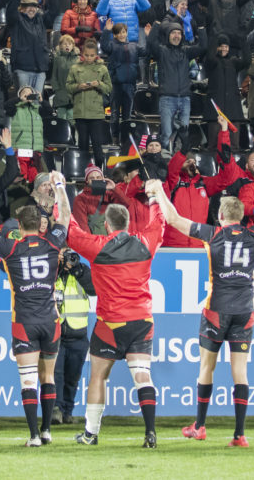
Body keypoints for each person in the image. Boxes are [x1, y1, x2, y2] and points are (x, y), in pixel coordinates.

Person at [152, 161, 254, 446]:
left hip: (216, 311)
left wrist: (158, 192)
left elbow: (174, 219)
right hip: (245, 312)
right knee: (241, 372)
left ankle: (199, 426)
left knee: (206, 369)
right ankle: (239, 434)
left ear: (221, 214)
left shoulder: (212, 235)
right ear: (240, 216)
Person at [65, 178, 165, 448]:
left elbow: (70, 230)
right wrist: (154, 197)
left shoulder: (98, 246)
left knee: (98, 376)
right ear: (128, 224)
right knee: (143, 376)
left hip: (110, 323)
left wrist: (62, 194)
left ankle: (91, 433)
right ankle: (150, 433)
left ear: (107, 225)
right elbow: (159, 224)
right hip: (141, 321)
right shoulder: (145, 243)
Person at [0, 172, 69, 447]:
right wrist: (60, 186)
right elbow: (65, 218)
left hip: (24, 322)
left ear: (19, 225)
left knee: (29, 381)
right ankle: (48, 429)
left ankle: (34, 436)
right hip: (51, 320)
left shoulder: (10, 249)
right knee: (48, 376)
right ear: (40, 224)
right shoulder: (52, 243)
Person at [52, 246, 96, 426]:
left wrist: (77, 269)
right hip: (57, 332)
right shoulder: (51, 270)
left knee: (73, 377)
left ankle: (68, 412)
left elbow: (94, 289)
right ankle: (56, 410)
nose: (67, 260)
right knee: (56, 375)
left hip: (78, 333)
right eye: (64, 256)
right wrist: (58, 268)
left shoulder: (82, 270)